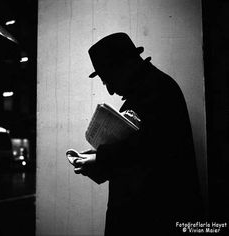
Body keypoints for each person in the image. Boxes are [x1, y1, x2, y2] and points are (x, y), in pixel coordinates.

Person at [67, 32, 203, 235]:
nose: (110, 90)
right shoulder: (153, 89)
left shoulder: (158, 91)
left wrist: (100, 158)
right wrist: (96, 160)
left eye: (108, 80)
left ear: (124, 65)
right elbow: (137, 153)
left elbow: (149, 149)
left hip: (154, 220)